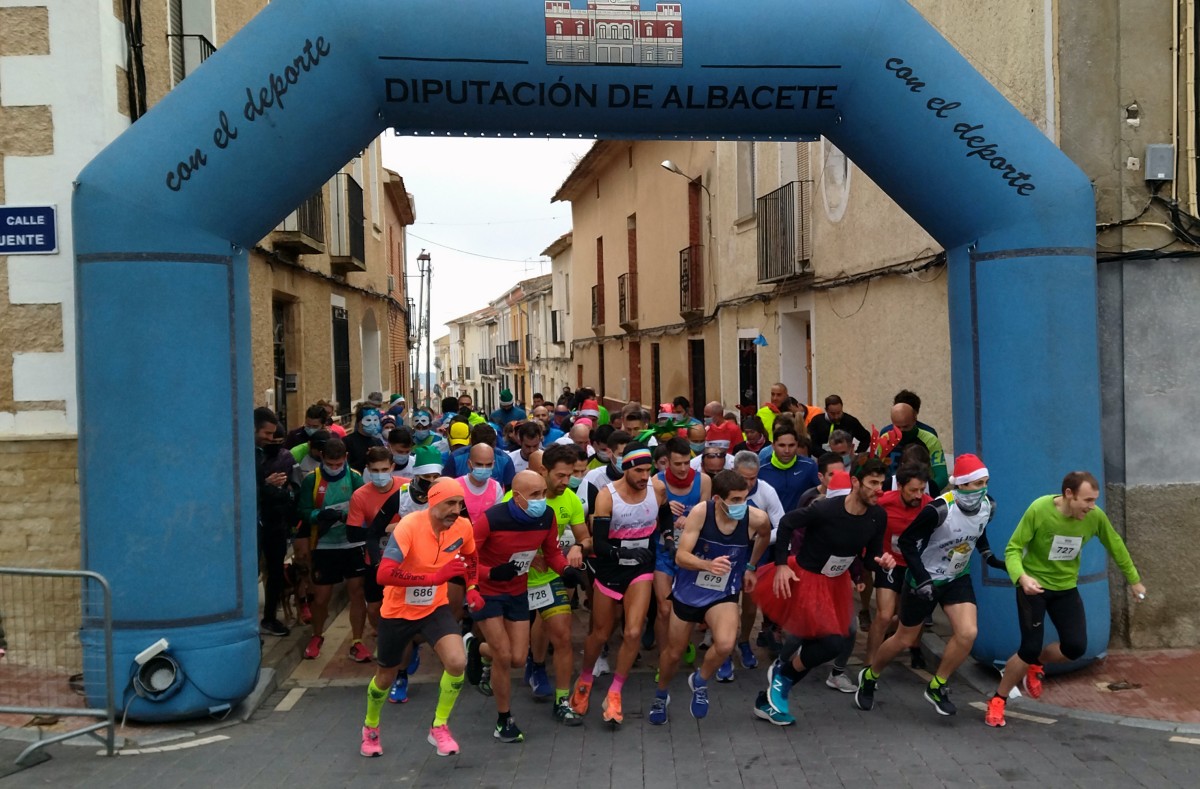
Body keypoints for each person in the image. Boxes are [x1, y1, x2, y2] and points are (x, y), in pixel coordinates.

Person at [985, 471, 1146, 728]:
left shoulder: (1094, 518)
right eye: (1087, 500)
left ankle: (1038, 664)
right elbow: (1013, 548)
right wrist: (1022, 578)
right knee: (1028, 648)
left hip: (1065, 588)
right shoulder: (1040, 509)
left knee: (1075, 647)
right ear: (1068, 494)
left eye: (1094, 500)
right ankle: (998, 699)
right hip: (1033, 587)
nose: (1091, 506)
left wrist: (1134, 579)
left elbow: (1115, 544)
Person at [856, 454, 1006, 716]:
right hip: (924, 578)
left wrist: (989, 556)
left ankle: (937, 685)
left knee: (968, 632)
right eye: (977, 483)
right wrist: (922, 579)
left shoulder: (988, 506)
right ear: (961, 485)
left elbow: (978, 531)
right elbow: (907, 543)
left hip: (957, 577)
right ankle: (870, 675)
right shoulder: (937, 510)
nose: (984, 488)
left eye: (986, 482)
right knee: (904, 638)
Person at [752, 458, 896, 726]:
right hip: (807, 579)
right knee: (830, 642)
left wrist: (881, 560)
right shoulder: (826, 509)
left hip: (836, 582)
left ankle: (768, 696)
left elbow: (870, 556)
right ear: (855, 482)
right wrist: (782, 564)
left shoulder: (878, 515)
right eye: (873, 483)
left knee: (832, 641)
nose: (879, 489)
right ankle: (782, 676)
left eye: (882, 483)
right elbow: (785, 524)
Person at [360, 478, 482, 758]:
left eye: (460, 503)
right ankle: (371, 727)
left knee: (457, 661)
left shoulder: (462, 527)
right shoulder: (410, 526)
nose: (456, 509)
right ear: (432, 501)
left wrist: (473, 588)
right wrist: (433, 577)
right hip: (397, 612)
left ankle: (439, 726)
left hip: (434, 608)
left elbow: (471, 557)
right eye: (450, 503)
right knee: (385, 677)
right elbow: (383, 574)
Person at [650, 470, 771, 724]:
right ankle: (661, 695)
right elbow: (681, 556)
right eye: (735, 500)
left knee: (726, 644)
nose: (741, 505)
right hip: (689, 591)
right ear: (718, 498)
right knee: (673, 653)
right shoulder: (701, 513)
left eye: (744, 499)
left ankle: (700, 680)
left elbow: (765, 535)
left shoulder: (756, 517)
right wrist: (707, 565)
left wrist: (750, 567)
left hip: (723, 592)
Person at [468, 470, 574, 743]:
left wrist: (566, 570)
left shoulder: (547, 516)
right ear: (517, 497)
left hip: (517, 592)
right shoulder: (491, 519)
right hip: (488, 592)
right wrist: (491, 574)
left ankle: (475, 648)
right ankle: (504, 720)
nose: (542, 500)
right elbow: (466, 560)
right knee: (503, 655)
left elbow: (551, 552)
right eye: (535, 495)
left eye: (543, 493)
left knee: (517, 657)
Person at [570, 442, 669, 726]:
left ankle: (615, 692)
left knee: (634, 631)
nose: (643, 476)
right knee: (601, 633)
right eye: (638, 470)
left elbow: (665, 515)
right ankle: (585, 678)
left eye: (647, 469)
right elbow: (599, 543)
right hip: (611, 567)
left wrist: (670, 537)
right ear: (625, 469)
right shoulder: (607, 496)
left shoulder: (656, 488)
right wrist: (621, 551)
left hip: (641, 569)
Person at [524, 444, 590, 725]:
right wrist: (527, 558)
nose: (567, 482)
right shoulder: (518, 498)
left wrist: (578, 547)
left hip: (550, 577)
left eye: (571, 475)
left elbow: (586, 537)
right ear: (543, 472)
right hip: (516, 581)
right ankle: (528, 663)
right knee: (510, 650)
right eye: (561, 476)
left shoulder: (571, 500)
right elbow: (496, 544)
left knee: (563, 636)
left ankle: (562, 701)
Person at [295, 438, 368, 661]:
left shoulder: (354, 477)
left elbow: (364, 507)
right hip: (324, 544)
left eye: (338, 464)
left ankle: (357, 640)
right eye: (330, 464)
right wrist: (319, 516)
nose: (334, 468)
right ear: (322, 460)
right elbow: (304, 510)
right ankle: (317, 635)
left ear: (345, 458)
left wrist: (347, 516)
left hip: (352, 543)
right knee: (321, 597)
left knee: (357, 592)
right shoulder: (312, 480)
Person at [348, 447, 407, 699]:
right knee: (374, 609)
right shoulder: (360, 496)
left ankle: (396, 657)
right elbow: (352, 533)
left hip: (407, 561)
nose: (381, 475)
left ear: (393, 467)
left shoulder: (407, 488)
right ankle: (386, 638)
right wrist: (385, 529)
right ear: (368, 472)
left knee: (404, 610)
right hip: (376, 560)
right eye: (375, 471)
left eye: (385, 470)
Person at [865, 463, 933, 668]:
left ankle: (914, 648)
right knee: (884, 615)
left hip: (915, 565)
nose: (918, 495)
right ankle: (869, 664)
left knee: (908, 616)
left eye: (922, 489)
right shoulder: (885, 502)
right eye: (913, 490)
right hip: (889, 562)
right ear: (900, 487)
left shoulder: (930, 506)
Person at [650, 438, 711, 662]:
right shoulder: (656, 482)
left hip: (691, 552)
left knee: (688, 607)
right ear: (667, 463)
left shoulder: (703, 480)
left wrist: (691, 514)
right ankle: (664, 658)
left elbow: (707, 515)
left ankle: (680, 644)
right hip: (663, 551)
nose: (684, 468)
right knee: (664, 608)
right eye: (678, 464)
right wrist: (662, 511)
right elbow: (646, 520)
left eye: (687, 463)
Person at [255, 408, 296, 637]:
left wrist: (280, 491)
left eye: (276, 438)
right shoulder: (250, 455)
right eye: (268, 435)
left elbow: (291, 492)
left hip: (276, 523)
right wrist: (266, 485)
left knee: (276, 572)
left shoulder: (286, 458)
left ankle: (270, 617)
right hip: (255, 525)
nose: (271, 441)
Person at [883, 403, 948, 492]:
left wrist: (926, 492)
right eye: (897, 427)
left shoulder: (930, 440)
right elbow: (880, 472)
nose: (901, 431)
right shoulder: (885, 440)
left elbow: (942, 476)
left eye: (906, 426)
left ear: (915, 420)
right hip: (891, 494)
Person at [757, 426, 819, 513]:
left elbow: (821, 493)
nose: (787, 450)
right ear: (773, 446)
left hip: (802, 524)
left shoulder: (809, 466)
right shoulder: (760, 470)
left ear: (797, 445)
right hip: (772, 524)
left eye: (791, 445)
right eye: (782, 445)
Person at [806, 395, 871, 453]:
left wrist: (858, 454)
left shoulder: (850, 421)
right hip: (822, 459)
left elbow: (866, 437)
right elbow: (811, 443)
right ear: (826, 410)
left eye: (839, 412)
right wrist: (825, 455)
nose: (836, 416)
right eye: (832, 413)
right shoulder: (817, 421)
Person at [458, 444, 504, 524]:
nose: (484, 468)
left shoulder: (496, 487)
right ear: (469, 464)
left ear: (493, 464)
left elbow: (497, 519)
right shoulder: (456, 485)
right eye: (479, 464)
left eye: (488, 465)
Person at [344, 405, 386, 472]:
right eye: (368, 420)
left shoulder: (378, 442)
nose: (372, 423)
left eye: (375, 420)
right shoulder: (347, 442)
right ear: (359, 422)